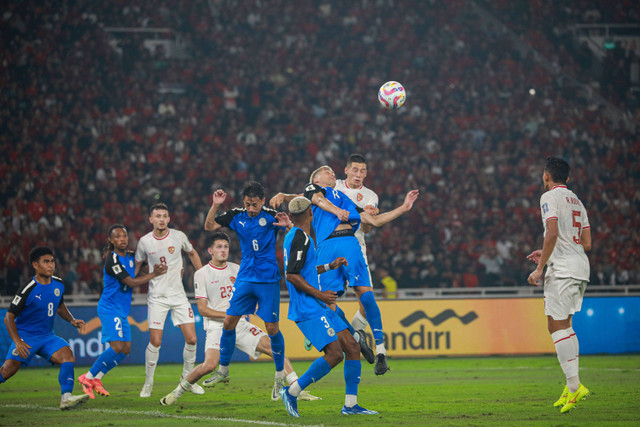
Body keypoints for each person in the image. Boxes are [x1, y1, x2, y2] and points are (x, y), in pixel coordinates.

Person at [271, 165, 419, 375]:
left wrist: (404, 208)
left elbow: (373, 221)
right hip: (325, 247)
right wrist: (286, 196)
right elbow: (312, 200)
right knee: (326, 301)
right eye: (326, 171)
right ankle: (355, 335)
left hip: (349, 243)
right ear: (315, 179)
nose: (332, 173)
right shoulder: (313, 190)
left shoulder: (343, 197)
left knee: (365, 295)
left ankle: (380, 351)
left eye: (333, 171)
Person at [160, 232, 320, 405]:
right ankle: (176, 393)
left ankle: (296, 389)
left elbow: (251, 293)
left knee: (275, 349)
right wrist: (232, 314)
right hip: (216, 327)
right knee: (209, 365)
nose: (223, 250)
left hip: (240, 325)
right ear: (210, 251)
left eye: (226, 247)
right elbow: (204, 310)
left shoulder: (238, 269)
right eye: (219, 247)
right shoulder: (202, 274)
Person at [279, 196, 378, 417]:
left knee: (352, 347)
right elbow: (292, 276)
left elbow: (306, 271)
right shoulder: (300, 239)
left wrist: (330, 266)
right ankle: (292, 391)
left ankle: (350, 405)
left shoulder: (300, 237)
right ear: (311, 214)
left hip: (318, 304)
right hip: (307, 307)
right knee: (334, 354)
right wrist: (321, 294)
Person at [203, 182, 291, 395]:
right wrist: (215, 205)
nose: (251, 209)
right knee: (229, 321)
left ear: (262, 201)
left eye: (255, 204)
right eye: (248, 204)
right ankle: (223, 370)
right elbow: (209, 226)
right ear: (244, 202)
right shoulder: (236, 215)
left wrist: (288, 226)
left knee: (272, 329)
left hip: (268, 279)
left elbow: (296, 234)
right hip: (245, 278)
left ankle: (280, 375)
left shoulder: (272, 215)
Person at [527, 157, 592, 414]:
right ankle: (572, 385)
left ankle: (575, 387)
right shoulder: (577, 201)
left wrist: (540, 267)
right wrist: (545, 254)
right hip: (579, 267)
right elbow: (586, 242)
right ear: (568, 177)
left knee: (555, 324)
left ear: (546, 176)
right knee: (564, 324)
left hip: (563, 270)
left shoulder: (549, 198)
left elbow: (552, 234)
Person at [78, 225, 167, 399]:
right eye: (118, 236)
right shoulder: (112, 259)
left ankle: (98, 378)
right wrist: (153, 275)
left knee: (125, 350)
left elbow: (146, 266)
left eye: (125, 235)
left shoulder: (132, 257)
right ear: (111, 240)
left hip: (121, 310)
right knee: (116, 346)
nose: (122, 239)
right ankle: (87, 377)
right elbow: (131, 282)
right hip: (109, 308)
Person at [1, 246, 90, 410]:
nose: (51, 265)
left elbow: (59, 305)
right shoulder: (28, 289)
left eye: (52, 261)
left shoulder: (59, 284)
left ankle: (66, 398)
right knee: (7, 371)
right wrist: (18, 341)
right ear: (35, 265)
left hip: (47, 336)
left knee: (68, 356)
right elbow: (8, 317)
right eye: (46, 262)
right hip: (26, 338)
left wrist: (71, 320)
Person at [135, 203, 203, 397]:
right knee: (155, 341)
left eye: (164, 215)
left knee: (192, 338)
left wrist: (202, 275)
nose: (161, 219)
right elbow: (136, 267)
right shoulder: (144, 242)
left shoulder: (178, 236)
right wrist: (132, 280)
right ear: (151, 219)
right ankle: (148, 383)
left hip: (179, 296)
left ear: (169, 218)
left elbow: (192, 253)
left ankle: (186, 380)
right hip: (157, 297)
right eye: (157, 216)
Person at [334, 154, 380, 340]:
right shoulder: (334, 186)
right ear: (346, 170)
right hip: (331, 245)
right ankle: (320, 326)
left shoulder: (370, 196)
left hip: (356, 248)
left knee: (366, 301)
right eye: (355, 170)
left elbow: (367, 229)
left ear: (366, 173)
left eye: (362, 171)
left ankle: (352, 337)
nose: (358, 174)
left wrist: (368, 217)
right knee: (326, 296)